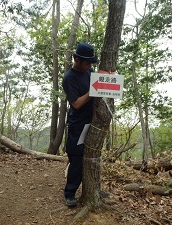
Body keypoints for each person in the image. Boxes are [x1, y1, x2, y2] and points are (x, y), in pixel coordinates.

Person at [62, 42, 97, 207]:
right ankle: (69, 193)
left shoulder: (88, 71)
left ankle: (93, 190)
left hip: (92, 122)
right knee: (76, 159)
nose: (89, 66)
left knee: (91, 158)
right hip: (77, 124)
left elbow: (98, 80)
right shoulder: (69, 78)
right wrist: (93, 90)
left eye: (91, 63)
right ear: (77, 59)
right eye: (87, 62)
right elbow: (75, 103)